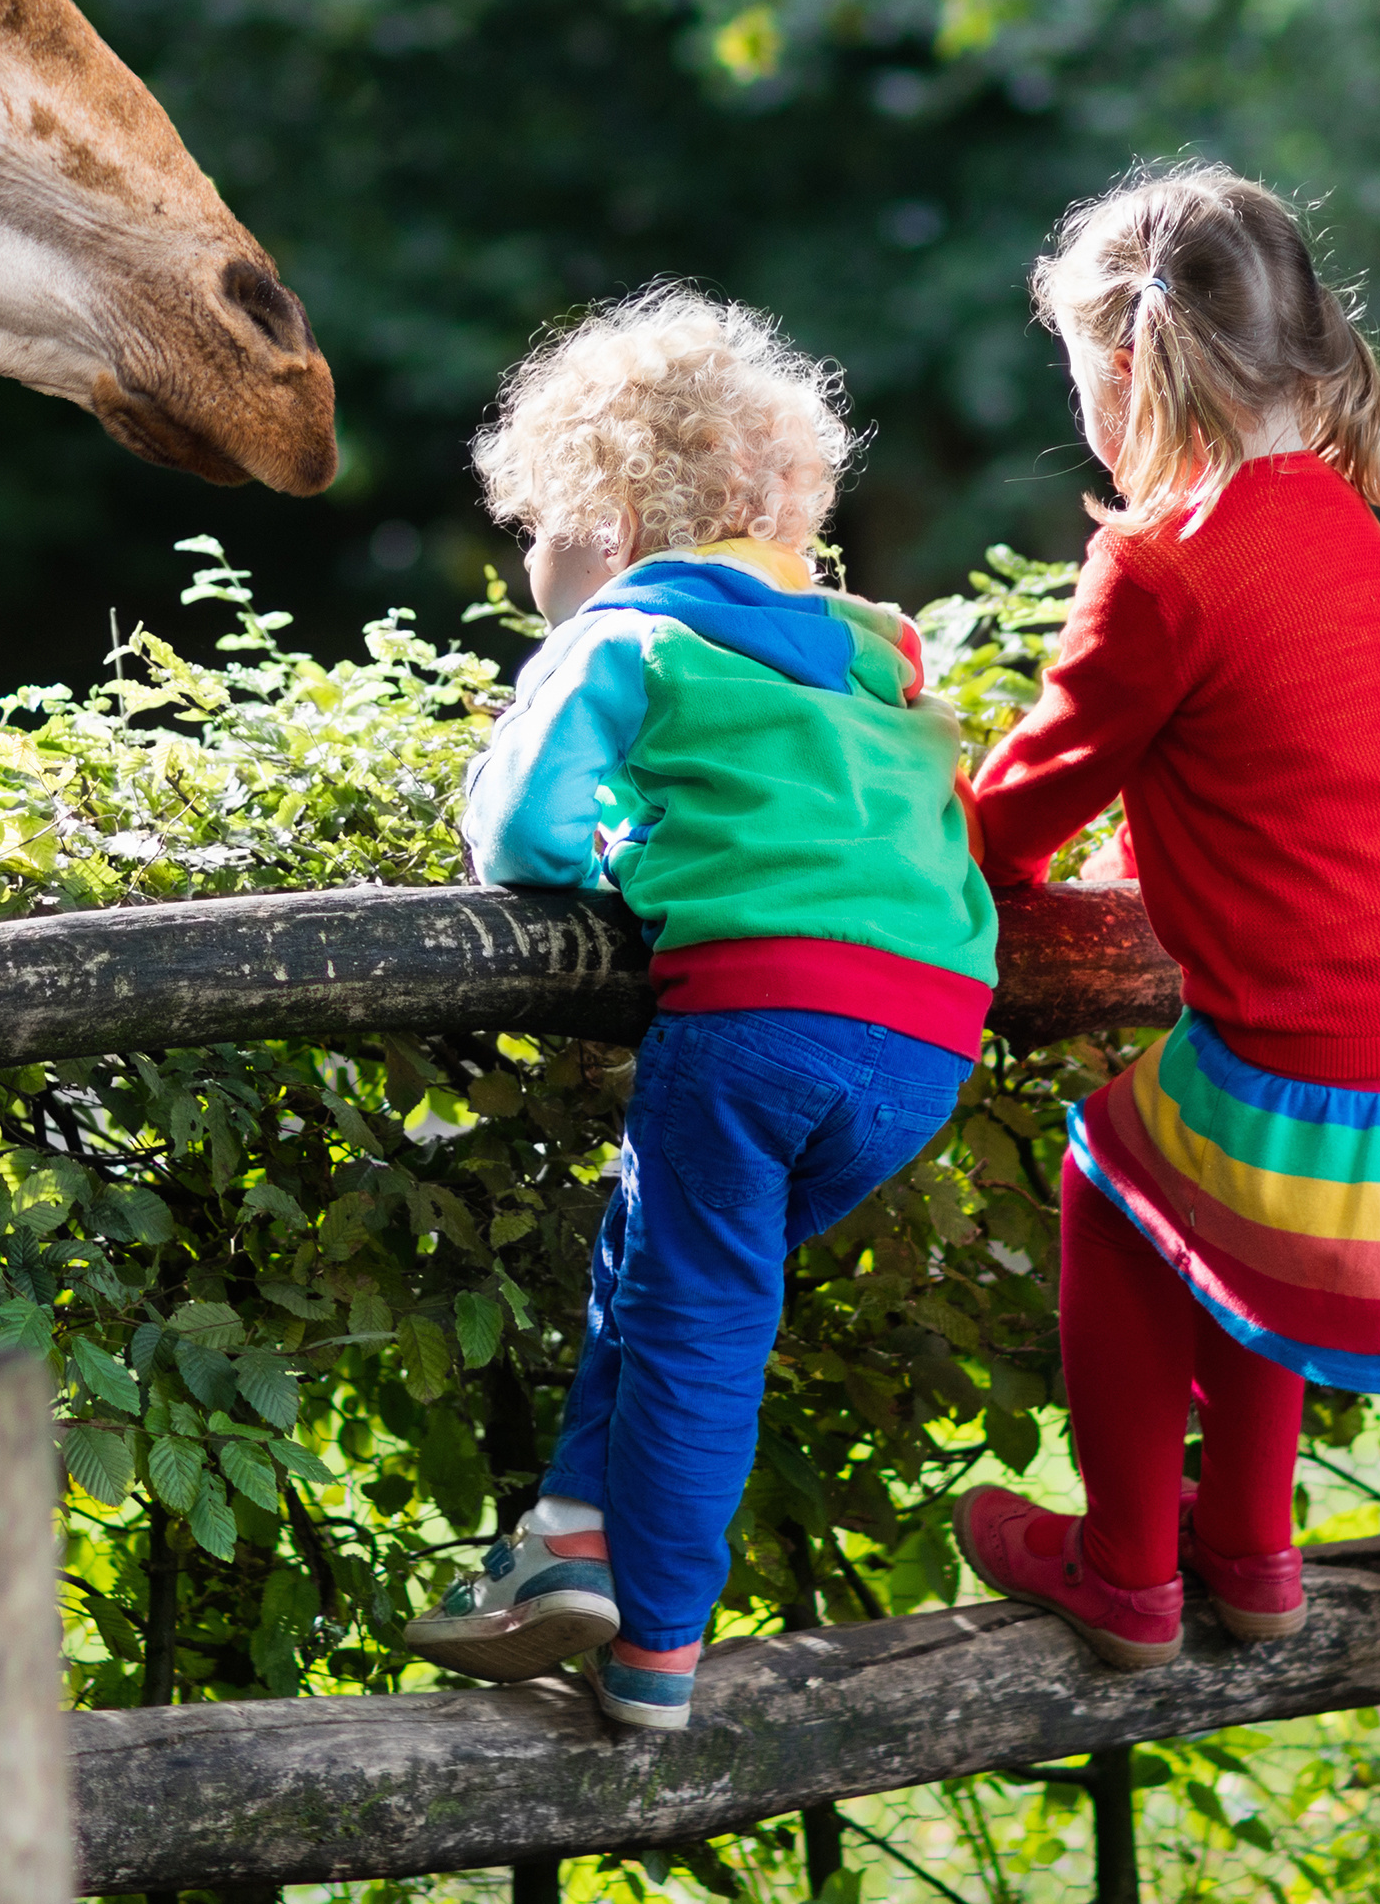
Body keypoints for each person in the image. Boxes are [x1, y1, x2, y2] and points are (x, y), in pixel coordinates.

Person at [951, 163, 1380, 1675]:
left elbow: (1031, 794)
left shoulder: (1160, 565)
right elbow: (1284, 772)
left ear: (1122, 373)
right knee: (1230, 1194)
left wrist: (958, 866)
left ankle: (1124, 1567)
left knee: (1120, 1173)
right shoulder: (1350, 533)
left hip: (1335, 1037)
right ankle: (1249, 1548)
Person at [407, 288, 998, 1732]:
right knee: (667, 1275)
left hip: (756, 1021)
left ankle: (654, 1652)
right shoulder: (879, 649)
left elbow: (521, 833)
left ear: (604, 517)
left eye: (537, 526)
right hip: (925, 1043)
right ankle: (566, 1545)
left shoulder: (628, 633)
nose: (533, 558)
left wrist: (606, 848)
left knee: (691, 1323)